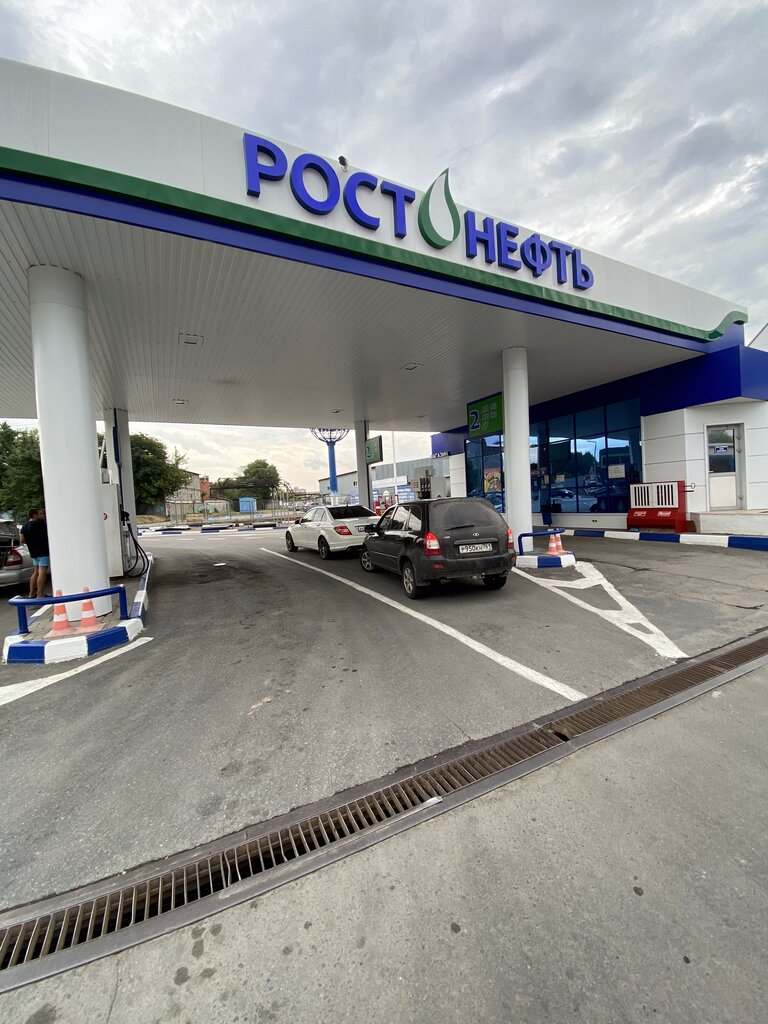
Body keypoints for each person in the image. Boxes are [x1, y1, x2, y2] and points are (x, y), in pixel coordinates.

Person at [21, 507, 50, 599]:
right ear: (34, 515)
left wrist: (31, 543)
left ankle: (31, 593)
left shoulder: (24, 526)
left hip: (33, 552)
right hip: (43, 551)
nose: (42, 515)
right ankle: (40, 594)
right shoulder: (41, 524)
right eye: (40, 513)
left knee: (36, 572)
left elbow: (22, 540)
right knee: (42, 572)